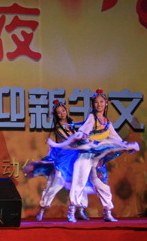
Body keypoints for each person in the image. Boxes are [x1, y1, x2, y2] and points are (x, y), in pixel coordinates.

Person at [51, 89, 139, 222]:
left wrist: (126, 147)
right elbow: (85, 129)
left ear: (106, 103)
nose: (99, 104)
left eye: (101, 102)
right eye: (96, 102)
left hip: (97, 158)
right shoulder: (92, 118)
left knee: (101, 184)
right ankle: (72, 212)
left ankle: (107, 212)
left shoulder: (107, 123)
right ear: (93, 104)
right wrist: (83, 136)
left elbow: (116, 138)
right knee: (79, 182)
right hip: (85, 154)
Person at [24, 100, 92, 221]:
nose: (61, 114)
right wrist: (83, 140)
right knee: (55, 184)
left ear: (66, 110)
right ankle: (42, 208)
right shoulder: (58, 128)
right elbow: (69, 141)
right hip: (63, 160)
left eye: (63, 111)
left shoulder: (71, 125)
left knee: (80, 183)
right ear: (56, 114)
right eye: (59, 112)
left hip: (75, 158)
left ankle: (80, 210)